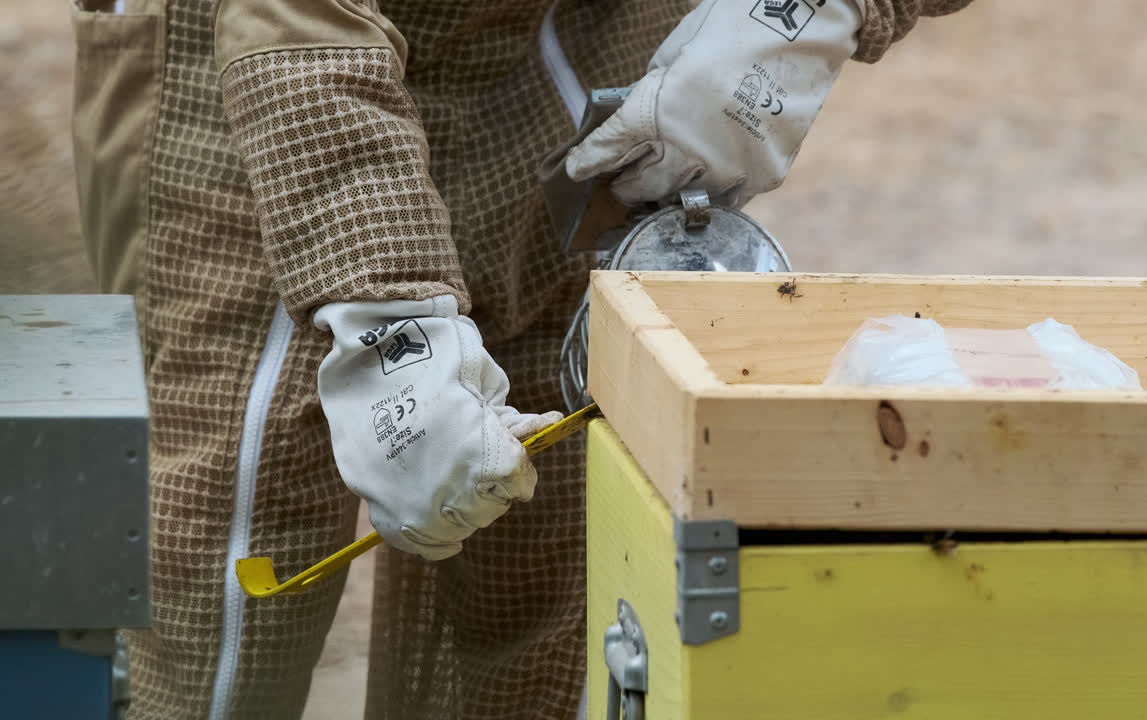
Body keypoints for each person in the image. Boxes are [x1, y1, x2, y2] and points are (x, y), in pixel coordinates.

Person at [70, 0, 971, 717]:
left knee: (543, 592)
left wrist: (806, 13)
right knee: (224, 610)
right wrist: (388, 317)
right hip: (256, 82)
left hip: (583, 54)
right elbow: (297, 20)